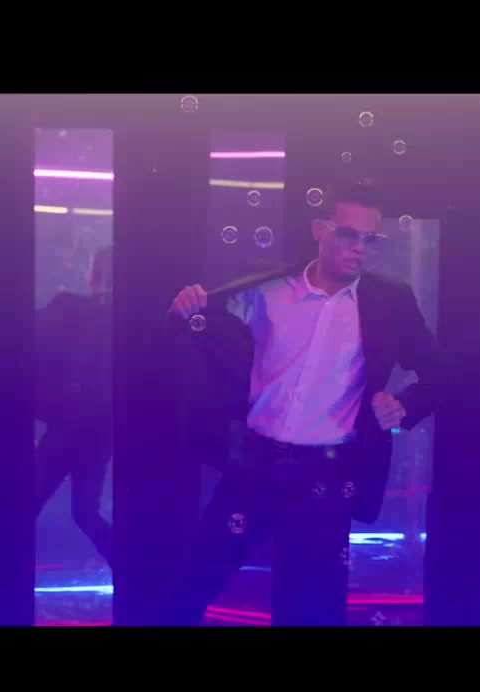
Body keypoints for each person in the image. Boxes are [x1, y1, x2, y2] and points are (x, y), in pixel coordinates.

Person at [165, 183, 440, 626]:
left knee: (313, 610)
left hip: (327, 477)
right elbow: (203, 335)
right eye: (349, 234)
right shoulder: (266, 291)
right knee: (192, 585)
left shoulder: (390, 301)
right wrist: (185, 310)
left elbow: (439, 373)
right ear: (319, 229)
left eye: (370, 239)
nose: (360, 248)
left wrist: (404, 405)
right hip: (254, 465)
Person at [34, 245, 115, 567]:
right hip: (99, 431)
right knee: (84, 512)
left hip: (70, 426)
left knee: (29, 501)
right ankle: (132, 570)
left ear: (92, 275)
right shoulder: (130, 322)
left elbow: (29, 338)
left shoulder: (68, 308)